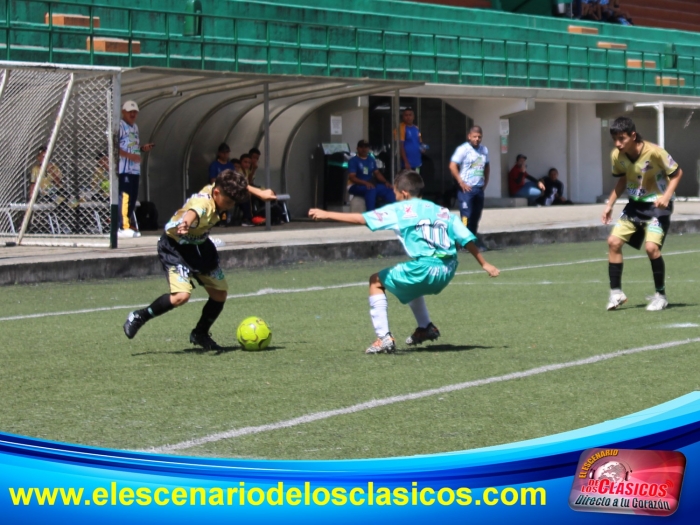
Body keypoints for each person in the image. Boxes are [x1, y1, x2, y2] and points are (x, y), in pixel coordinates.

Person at [309, 170, 500, 354]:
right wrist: (484, 263)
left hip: (426, 268)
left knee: (375, 281)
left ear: (405, 193)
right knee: (410, 284)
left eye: (395, 192)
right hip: (448, 269)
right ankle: (425, 327)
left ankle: (383, 338)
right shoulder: (441, 211)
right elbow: (466, 238)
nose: (394, 196)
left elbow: (362, 219)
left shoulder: (400, 210)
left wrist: (327, 214)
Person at [122, 170, 276, 349]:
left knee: (219, 294)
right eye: (228, 202)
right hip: (175, 248)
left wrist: (260, 193)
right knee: (181, 296)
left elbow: (238, 183)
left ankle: (200, 333)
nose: (229, 206)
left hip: (200, 246)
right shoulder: (203, 203)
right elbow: (193, 211)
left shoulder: (219, 187)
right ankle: (139, 316)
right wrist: (185, 223)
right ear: (216, 193)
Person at [602, 116, 683, 312]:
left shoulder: (654, 152)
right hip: (635, 206)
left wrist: (667, 196)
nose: (618, 144)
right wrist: (609, 204)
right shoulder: (617, 155)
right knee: (613, 242)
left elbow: (677, 173)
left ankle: (660, 295)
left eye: (622, 139)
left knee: (651, 248)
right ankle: (616, 293)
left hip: (657, 206)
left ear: (633, 135)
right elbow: (622, 180)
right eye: (615, 139)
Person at [118, 100, 154, 239]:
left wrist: (141, 149)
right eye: (129, 111)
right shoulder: (120, 126)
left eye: (135, 112)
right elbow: (115, 147)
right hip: (124, 168)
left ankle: (129, 224)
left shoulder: (135, 127)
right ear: (123, 112)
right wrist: (129, 156)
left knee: (133, 197)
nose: (132, 114)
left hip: (134, 169)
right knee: (125, 196)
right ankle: (122, 226)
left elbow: (132, 147)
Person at [449, 125, 490, 240]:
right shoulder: (463, 149)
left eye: (479, 137)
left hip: (479, 188)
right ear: (469, 137)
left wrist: (485, 182)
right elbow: (452, 166)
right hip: (466, 189)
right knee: (466, 215)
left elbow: (487, 166)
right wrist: (460, 182)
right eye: (474, 137)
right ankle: (463, 240)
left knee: (476, 216)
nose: (477, 139)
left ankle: (472, 239)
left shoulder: (484, 150)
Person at [347, 139, 396, 211]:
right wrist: (365, 183)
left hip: (369, 184)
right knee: (371, 190)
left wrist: (386, 182)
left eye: (366, 147)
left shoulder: (371, 159)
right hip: (355, 185)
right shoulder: (353, 161)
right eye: (361, 147)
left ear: (368, 148)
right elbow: (352, 177)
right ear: (357, 148)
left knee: (388, 189)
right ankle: (371, 213)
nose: (364, 149)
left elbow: (377, 173)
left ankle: (394, 210)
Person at [399, 107, 423, 172]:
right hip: (406, 164)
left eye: (410, 115)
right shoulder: (401, 128)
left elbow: (420, 142)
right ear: (403, 117)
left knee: (416, 180)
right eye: (406, 115)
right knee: (407, 181)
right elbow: (400, 146)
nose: (408, 117)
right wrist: (406, 162)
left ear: (413, 117)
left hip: (417, 163)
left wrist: (422, 148)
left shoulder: (416, 128)